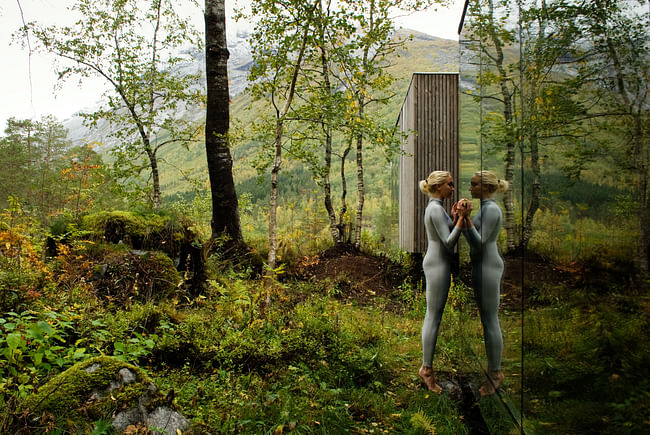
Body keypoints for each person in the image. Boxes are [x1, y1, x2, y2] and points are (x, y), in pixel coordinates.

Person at [418, 170, 471, 393]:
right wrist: (460, 218)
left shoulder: (436, 208)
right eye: (450, 185)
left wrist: (452, 216)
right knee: (433, 318)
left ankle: (427, 367)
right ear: (438, 187)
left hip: (436, 262)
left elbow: (444, 234)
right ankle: (427, 370)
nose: (453, 188)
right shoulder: (434, 209)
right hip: (437, 265)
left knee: (433, 316)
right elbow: (449, 243)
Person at [462, 170, 509, 396]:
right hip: (482, 266)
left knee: (491, 320)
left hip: (488, 267)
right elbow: (473, 238)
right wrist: (463, 220)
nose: (471, 189)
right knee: (486, 319)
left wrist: (467, 220)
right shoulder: (485, 209)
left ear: (487, 187)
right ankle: (493, 369)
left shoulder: (491, 211)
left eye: (475, 185)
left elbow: (480, 243)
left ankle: (496, 373)